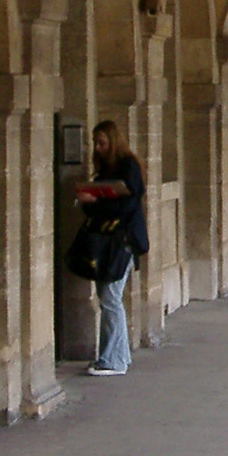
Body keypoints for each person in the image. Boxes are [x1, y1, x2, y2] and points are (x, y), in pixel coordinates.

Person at [76, 120, 147, 376]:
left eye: (102, 143)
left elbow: (127, 206)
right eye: (95, 143)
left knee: (110, 299)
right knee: (109, 297)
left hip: (122, 242)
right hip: (108, 242)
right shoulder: (105, 169)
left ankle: (113, 361)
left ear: (113, 142)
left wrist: (95, 202)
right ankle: (118, 355)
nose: (97, 148)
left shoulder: (128, 167)